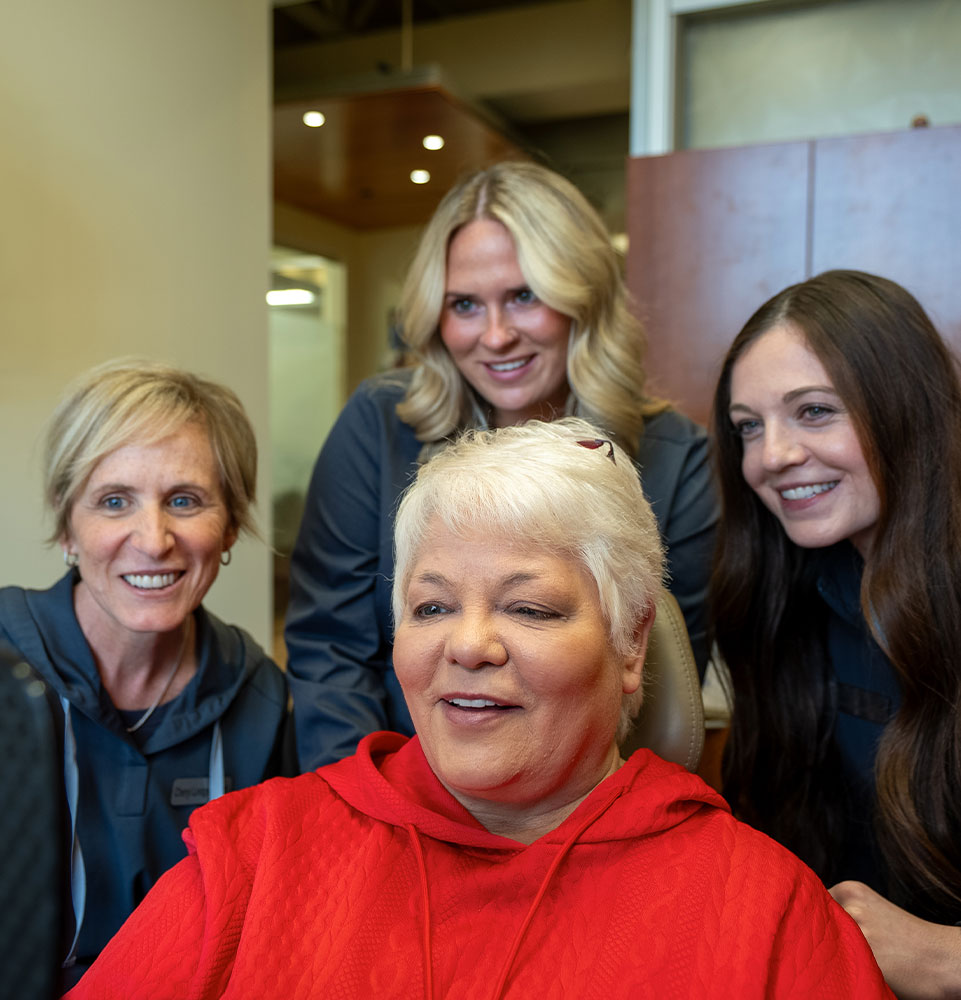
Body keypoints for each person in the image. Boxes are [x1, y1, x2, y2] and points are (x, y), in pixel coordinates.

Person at [67, 418, 889, 999]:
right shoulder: (252, 857)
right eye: (430, 607)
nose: (467, 645)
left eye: (528, 609)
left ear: (631, 644)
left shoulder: (764, 910)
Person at [286, 160, 718, 770]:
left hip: (574, 789)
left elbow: (651, 679)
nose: (494, 336)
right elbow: (330, 645)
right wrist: (365, 799)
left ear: (584, 299)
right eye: (464, 304)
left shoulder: (677, 459)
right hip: (394, 774)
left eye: (524, 297)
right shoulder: (380, 423)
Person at [0, 360, 291, 988]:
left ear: (230, 525)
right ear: (66, 524)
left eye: (184, 500)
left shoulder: (261, 699)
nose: (154, 540)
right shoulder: (5, 665)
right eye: (114, 501)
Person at [711, 269, 961, 998]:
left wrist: (944, 959)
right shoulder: (794, 597)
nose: (771, 455)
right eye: (748, 427)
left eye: (814, 411)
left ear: (904, 407)